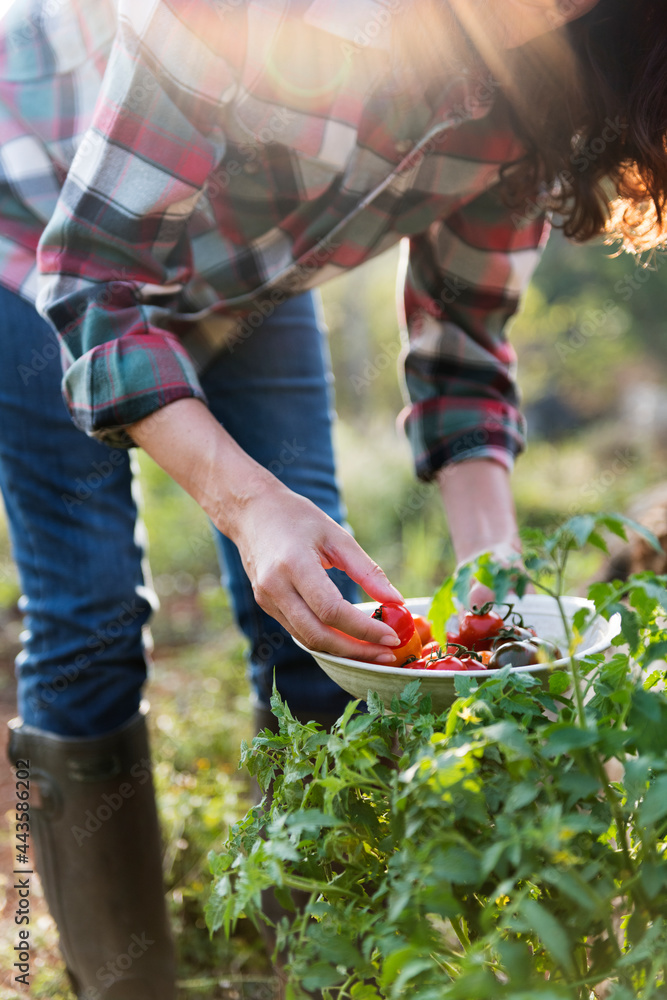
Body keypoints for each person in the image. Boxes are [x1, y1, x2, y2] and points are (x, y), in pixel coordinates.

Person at [2, 0, 666, 995]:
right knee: (92, 614)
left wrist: (498, 584)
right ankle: (123, 983)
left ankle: (318, 971)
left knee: (325, 627)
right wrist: (247, 505)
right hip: (41, 215)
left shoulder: (542, 85)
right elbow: (94, 281)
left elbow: (463, 342)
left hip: (244, 274)